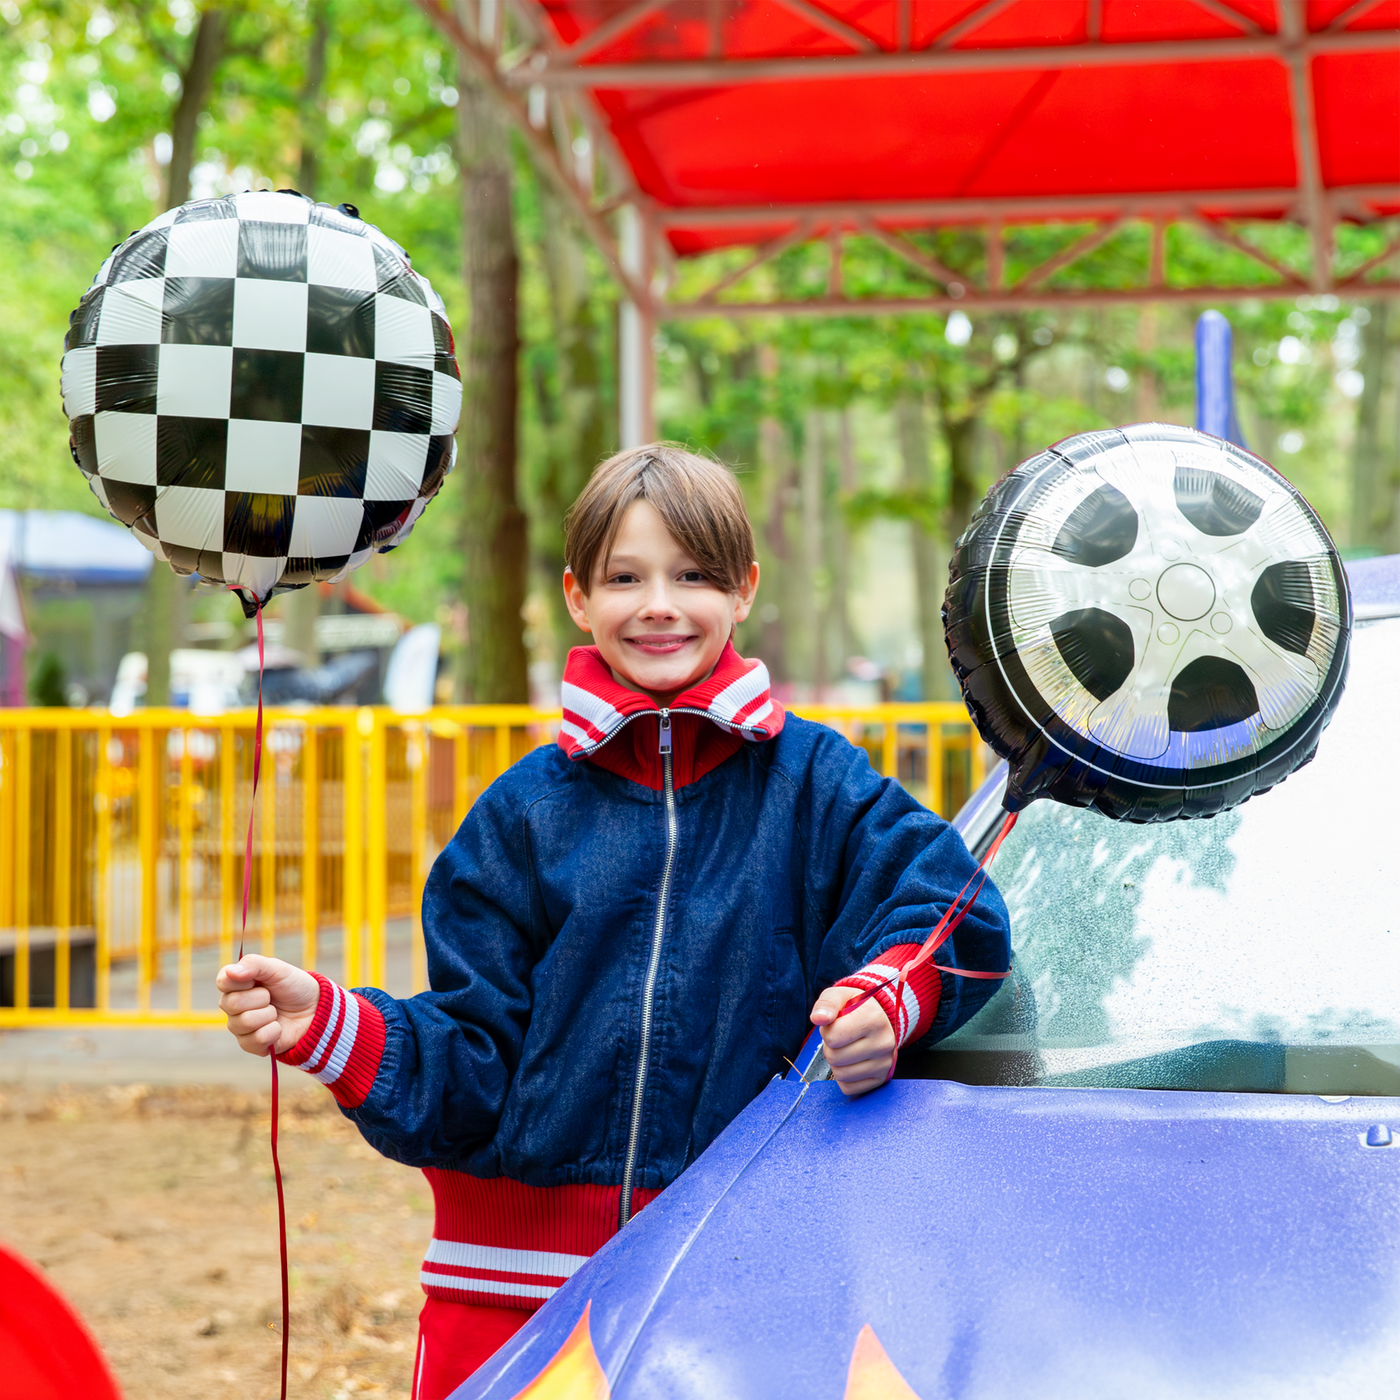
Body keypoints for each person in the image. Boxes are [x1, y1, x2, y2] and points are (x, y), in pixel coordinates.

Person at [217, 445, 1010, 1397]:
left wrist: (890, 1001)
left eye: (693, 576)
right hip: (521, 1301)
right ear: (578, 596)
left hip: (741, 1289)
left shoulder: (818, 786)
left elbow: (955, 910)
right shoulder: (519, 817)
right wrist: (334, 1026)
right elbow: (470, 1062)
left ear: (745, 589)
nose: (660, 604)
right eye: (625, 577)